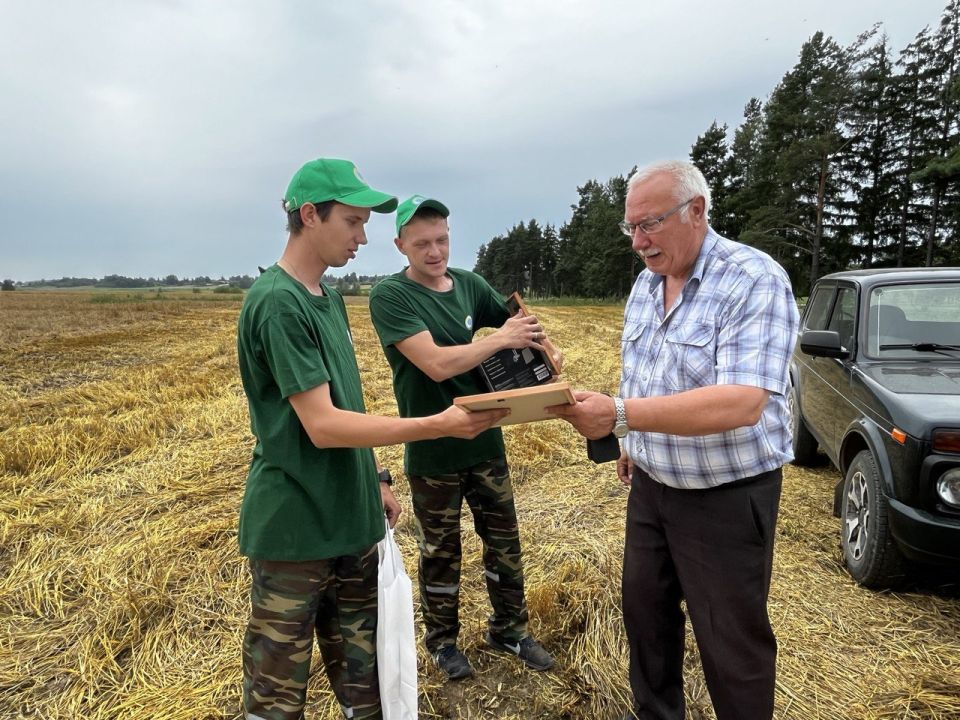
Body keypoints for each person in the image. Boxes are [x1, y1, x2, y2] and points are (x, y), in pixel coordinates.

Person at [236, 161, 505, 720]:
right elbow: (323, 424)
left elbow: (349, 405)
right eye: (354, 222)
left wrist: (376, 476)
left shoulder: (327, 297)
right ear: (310, 215)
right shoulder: (277, 302)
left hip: (353, 520)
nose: (363, 238)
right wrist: (435, 424)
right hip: (296, 530)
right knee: (276, 696)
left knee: (371, 686)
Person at [550, 160, 799, 720]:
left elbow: (742, 401)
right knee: (648, 623)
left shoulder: (753, 279)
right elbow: (646, 371)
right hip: (653, 490)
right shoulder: (645, 285)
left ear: (697, 211)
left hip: (727, 499)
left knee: (730, 644)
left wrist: (620, 414)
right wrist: (630, 441)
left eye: (650, 224)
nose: (638, 242)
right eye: (630, 228)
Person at [367, 195, 556, 680]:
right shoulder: (392, 297)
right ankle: (443, 642)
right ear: (400, 245)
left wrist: (541, 347)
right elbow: (434, 362)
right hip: (433, 448)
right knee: (441, 552)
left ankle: (510, 629)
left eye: (442, 239)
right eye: (423, 243)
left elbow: (517, 321)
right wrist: (500, 339)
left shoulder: (469, 284)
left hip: (486, 443)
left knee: (504, 542)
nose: (435, 251)